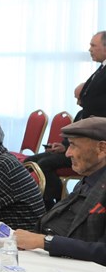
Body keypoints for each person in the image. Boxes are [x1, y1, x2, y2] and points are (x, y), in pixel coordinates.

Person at [28, 32, 106, 209]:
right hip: (84, 140)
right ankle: (38, 201)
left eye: (93, 45)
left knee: (45, 164)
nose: (89, 49)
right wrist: (65, 145)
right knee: (31, 161)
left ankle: (54, 204)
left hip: (95, 142)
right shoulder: (100, 70)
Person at [15, 117, 106, 265]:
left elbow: (102, 251)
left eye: (73, 145)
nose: (68, 153)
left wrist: (45, 242)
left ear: (102, 149)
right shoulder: (89, 179)